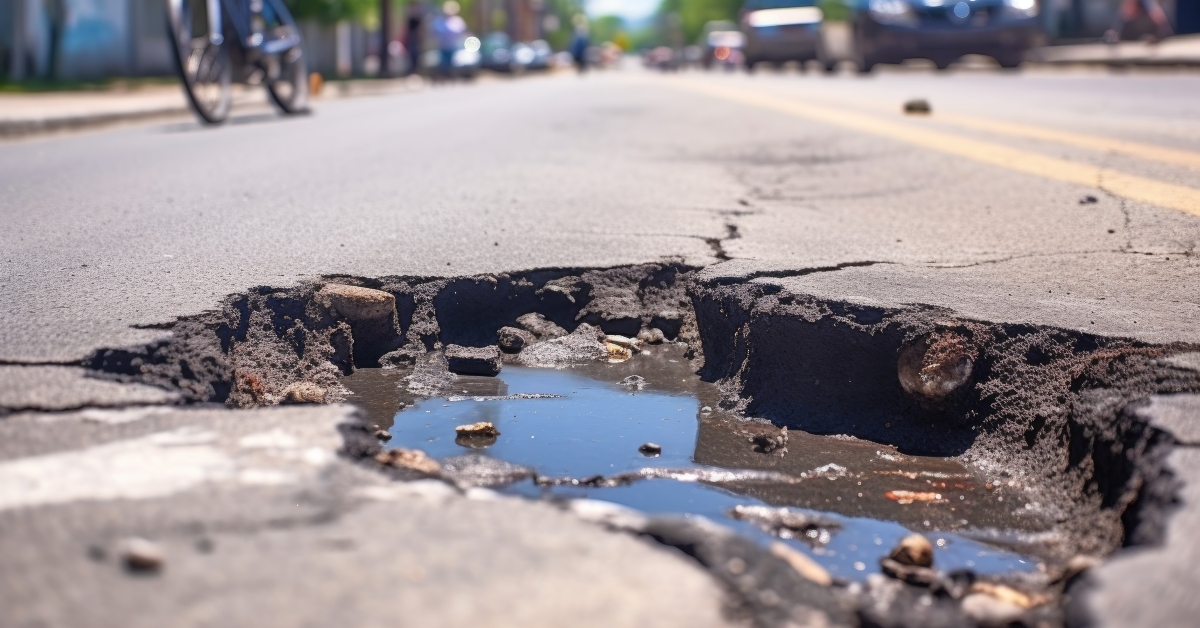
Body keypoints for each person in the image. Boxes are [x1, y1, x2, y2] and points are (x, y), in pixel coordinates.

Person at [1105, 0, 1173, 43]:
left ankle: (1156, 37)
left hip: (1151, 27)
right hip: (1133, 29)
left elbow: (1157, 16)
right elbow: (1125, 14)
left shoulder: (1147, 4)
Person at [432, 1, 467, 79]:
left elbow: (462, 31)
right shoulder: (440, 20)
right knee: (443, 63)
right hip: (443, 45)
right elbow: (436, 31)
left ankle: (452, 77)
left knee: (454, 63)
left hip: (454, 45)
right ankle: (443, 77)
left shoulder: (458, 20)